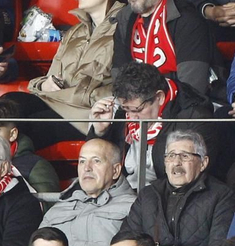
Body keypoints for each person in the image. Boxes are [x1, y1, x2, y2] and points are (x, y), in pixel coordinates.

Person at [5, 0, 127, 139]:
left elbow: (117, 88)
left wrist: (72, 95)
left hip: (84, 114)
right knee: (10, 103)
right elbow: (51, 76)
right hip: (56, 102)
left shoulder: (124, 29)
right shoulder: (74, 32)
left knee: (21, 128)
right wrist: (44, 84)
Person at [120, 130, 235, 246]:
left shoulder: (221, 196)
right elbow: (124, 245)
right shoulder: (149, 195)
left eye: (184, 156)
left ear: (203, 163)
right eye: (170, 156)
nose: (176, 163)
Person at [90, 63, 220, 192]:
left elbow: (191, 177)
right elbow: (96, 166)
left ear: (159, 97)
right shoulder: (126, 110)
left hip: (167, 196)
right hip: (123, 192)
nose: (131, 117)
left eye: (137, 110)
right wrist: (100, 132)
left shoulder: (195, 118)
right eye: (126, 109)